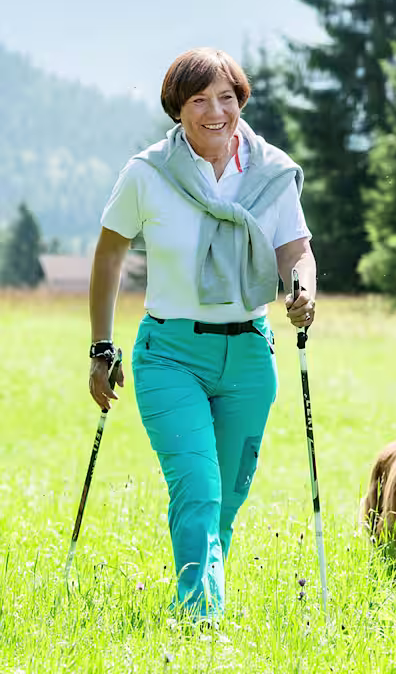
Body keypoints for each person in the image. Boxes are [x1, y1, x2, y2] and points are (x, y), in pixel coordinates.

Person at [88, 48, 316, 621]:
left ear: (241, 102)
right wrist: (101, 346)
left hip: (248, 356)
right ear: (177, 109)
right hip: (170, 354)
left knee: (229, 496)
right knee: (199, 487)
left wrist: (302, 288)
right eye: (199, 100)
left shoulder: (271, 172)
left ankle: (204, 597)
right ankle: (198, 620)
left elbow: (296, 248)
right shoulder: (147, 173)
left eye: (227, 98)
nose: (216, 111)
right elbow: (110, 255)